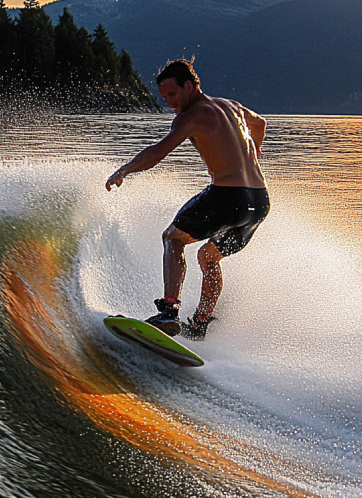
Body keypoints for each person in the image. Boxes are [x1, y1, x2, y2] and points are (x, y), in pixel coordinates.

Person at [105, 59, 270, 340]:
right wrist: (255, 147)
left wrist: (125, 169)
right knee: (208, 258)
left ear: (190, 86)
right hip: (258, 202)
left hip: (228, 196)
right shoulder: (232, 106)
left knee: (173, 238)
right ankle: (199, 325)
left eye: (173, 94)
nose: (169, 102)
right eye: (164, 97)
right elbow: (260, 123)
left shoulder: (191, 117)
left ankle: (169, 311)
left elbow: (157, 153)